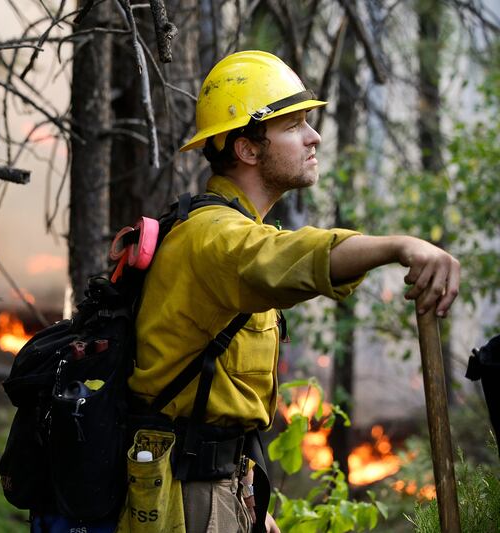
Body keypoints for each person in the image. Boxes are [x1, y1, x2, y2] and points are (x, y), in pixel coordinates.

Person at [127, 50, 460, 533]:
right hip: (187, 491)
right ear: (247, 149)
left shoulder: (231, 229)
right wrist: (401, 247)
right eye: (293, 125)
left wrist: (248, 503)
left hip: (219, 485)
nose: (315, 136)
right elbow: (286, 257)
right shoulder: (212, 235)